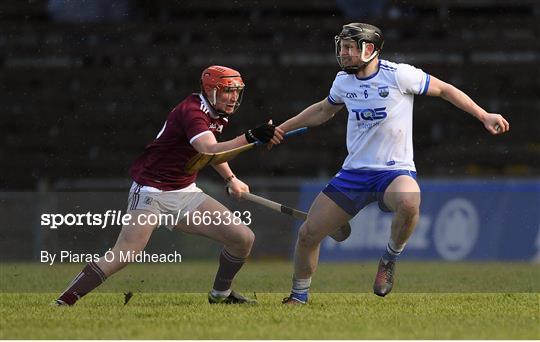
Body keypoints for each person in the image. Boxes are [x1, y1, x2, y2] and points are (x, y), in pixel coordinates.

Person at [277, 23, 510, 304]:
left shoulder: (399, 75)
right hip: (354, 173)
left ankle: (389, 258)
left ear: (370, 49)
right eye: (342, 46)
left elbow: (445, 89)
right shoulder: (342, 81)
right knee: (308, 234)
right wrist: (282, 128)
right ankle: (298, 296)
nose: (344, 52)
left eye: (350, 47)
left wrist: (483, 114)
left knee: (410, 201)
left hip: (393, 171)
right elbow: (323, 109)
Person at [54, 65, 284, 306]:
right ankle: (62, 302)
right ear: (211, 90)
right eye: (228, 91)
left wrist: (231, 178)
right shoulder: (193, 111)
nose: (234, 97)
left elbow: (209, 154)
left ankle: (220, 296)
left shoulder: (217, 114)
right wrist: (250, 137)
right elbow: (209, 149)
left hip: (184, 193)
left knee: (242, 238)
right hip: (151, 192)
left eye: (237, 91)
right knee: (124, 254)